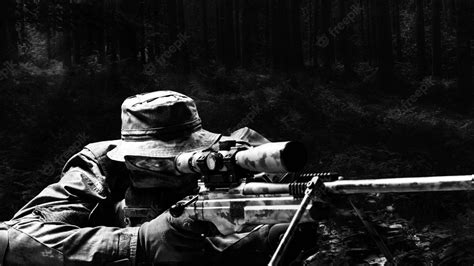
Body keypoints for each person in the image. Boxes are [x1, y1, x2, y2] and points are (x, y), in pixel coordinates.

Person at [0, 90, 288, 265]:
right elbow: (11, 238)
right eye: (157, 158)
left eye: (183, 153)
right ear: (128, 156)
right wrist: (139, 243)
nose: (174, 167)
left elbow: (292, 198)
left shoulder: (233, 158)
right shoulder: (101, 168)